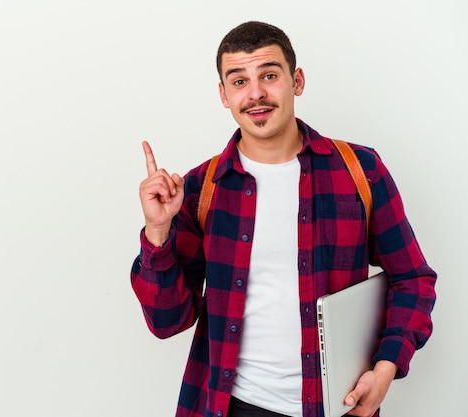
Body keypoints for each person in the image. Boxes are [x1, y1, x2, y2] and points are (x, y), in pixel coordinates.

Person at [130, 21, 436, 417]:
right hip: (232, 405)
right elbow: (167, 321)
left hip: (337, 406)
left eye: (269, 76)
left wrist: (386, 366)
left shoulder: (360, 171)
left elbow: (412, 279)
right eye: (239, 81)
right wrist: (158, 232)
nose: (255, 93)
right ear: (223, 95)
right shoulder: (199, 189)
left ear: (297, 80)